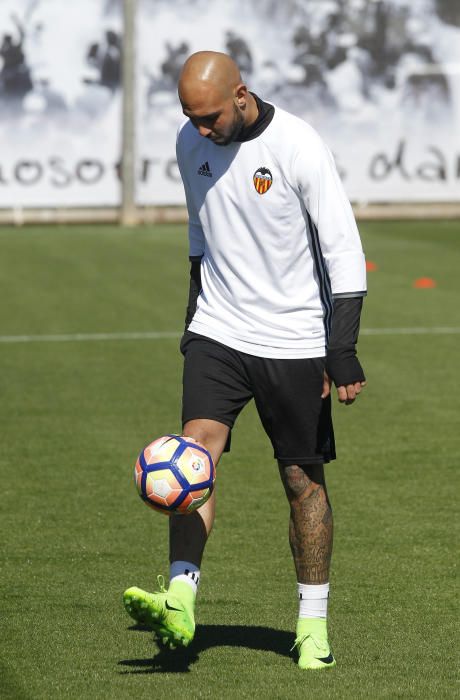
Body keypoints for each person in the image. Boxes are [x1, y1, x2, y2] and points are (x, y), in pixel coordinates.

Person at [124, 51, 367, 671]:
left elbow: (342, 248)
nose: (200, 130)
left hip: (293, 338)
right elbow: (200, 240)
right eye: (189, 118)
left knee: (301, 480)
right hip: (219, 329)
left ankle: (312, 624)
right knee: (193, 453)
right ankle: (181, 598)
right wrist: (191, 328)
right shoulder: (190, 143)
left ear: (240, 95)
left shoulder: (297, 145)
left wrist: (340, 349)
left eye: (208, 117)